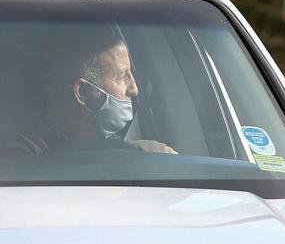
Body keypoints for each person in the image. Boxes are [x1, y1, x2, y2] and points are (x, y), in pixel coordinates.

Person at [3, 27, 175, 156]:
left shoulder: (152, 153)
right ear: (83, 93)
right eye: (123, 76)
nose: (134, 89)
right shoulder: (22, 159)